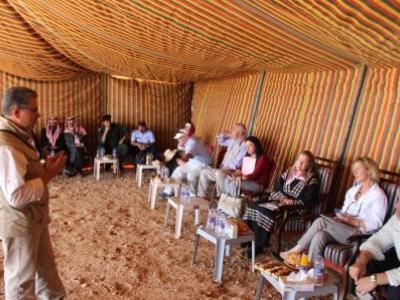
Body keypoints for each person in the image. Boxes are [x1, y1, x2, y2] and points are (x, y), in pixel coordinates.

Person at [0, 87, 67, 299]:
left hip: (33, 219)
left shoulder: (17, 135)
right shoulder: (6, 145)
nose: (38, 115)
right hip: (20, 224)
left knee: (46, 271)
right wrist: (48, 175)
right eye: (34, 110)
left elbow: (23, 173)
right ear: (16, 111)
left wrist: (42, 168)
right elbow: (16, 196)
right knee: (21, 283)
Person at [281, 157, 387, 263]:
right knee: (320, 235)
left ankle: (295, 250)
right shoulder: (353, 191)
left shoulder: (378, 195)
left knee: (320, 222)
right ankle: (310, 270)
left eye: (358, 169)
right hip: (343, 228)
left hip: (358, 234)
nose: (354, 172)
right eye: (354, 169)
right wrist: (340, 217)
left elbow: (376, 224)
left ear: (369, 171)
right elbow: (345, 211)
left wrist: (353, 221)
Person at [242, 150, 320, 257]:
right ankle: (248, 239)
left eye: (303, 162)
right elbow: (277, 188)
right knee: (254, 206)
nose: (299, 163)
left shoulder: (312, 180)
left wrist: (291, 202)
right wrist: (283, 198)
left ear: (309, 165)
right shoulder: (289, 172)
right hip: (280, 201)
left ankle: (257, 246)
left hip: (294, 207)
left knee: (265, 211)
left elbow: (308, 200)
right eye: (298, 160)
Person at [349, 190, 400, 300]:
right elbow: (378, 239)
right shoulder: (397, 218)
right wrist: (361, 261)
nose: (396, 206)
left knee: (396, 289)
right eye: (398, 199)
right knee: (365, 266)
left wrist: (374, 279)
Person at [197, 123, 248, 198]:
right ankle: (201, 197)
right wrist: (225, 134)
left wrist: (225, 168)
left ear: (240, 134)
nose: (231, 131)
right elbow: (220, 141)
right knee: (204, 172)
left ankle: (220, 198)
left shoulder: (244, 146)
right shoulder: (232, 141)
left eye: (233, 129)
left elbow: (237, 164)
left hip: (232, 171)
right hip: (222, 169)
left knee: (219, 173)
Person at [163, 130, 212, 196]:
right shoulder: (188, 141)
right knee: (178, 170)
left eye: (180, 138)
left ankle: (192, 196)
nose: (178, 140)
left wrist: (181, 160)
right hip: (194, 162)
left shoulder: (193, 142)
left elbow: (188, 155)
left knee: (191, 175)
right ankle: (167, 192)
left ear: (185, 136)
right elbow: (183, 150)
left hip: (203, 164)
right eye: (178, 139)